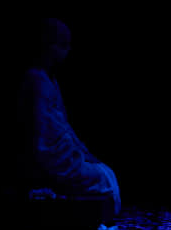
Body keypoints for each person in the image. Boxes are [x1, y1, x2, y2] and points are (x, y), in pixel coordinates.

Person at [17, 18, 121, 216]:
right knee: (103, 177)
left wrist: (83, 151)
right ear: (50, 45)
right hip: (53, 159)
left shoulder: (50, 80)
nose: (68, 50)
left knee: (106, 172)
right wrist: (70, 154)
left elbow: (62, 124)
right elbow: (41, 133)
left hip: (65, 154)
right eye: (63, 45)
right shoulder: (36, 80)